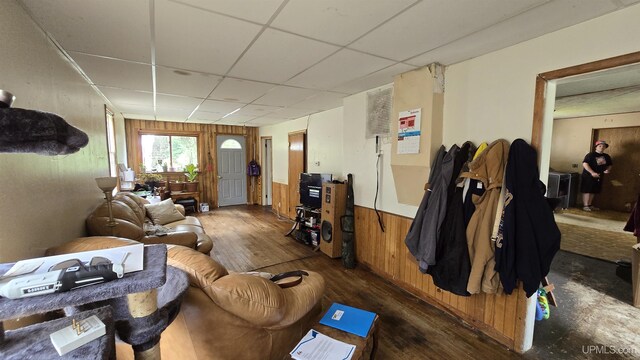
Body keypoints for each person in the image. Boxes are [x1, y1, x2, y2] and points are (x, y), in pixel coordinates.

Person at [580, 140, 613, 211]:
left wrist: (608, 170)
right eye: (600, 146)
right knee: (587, 190)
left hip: (599, 176)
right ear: (596, 147)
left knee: (594, 190)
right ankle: (585, 206)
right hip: (588, 175)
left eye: (603, 146)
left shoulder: (606, 156)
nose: (602, 147)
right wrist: (592, 172)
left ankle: (589, 205)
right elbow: (585, 164)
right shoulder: (590, 155)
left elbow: (610, 165)